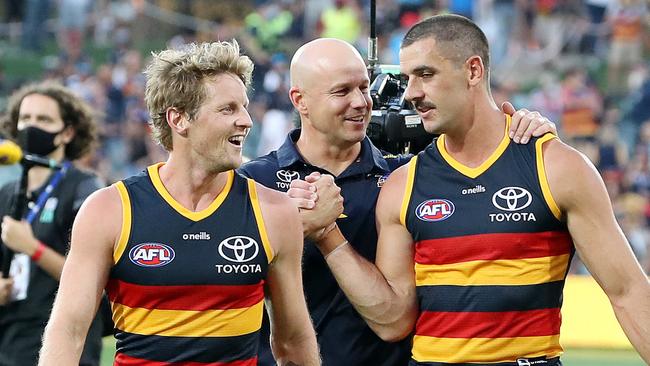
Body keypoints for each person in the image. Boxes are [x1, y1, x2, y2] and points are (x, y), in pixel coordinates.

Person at [307, 15, 650, 365]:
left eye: (425, 74)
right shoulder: (403, 185)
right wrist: (328, 235)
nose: (411, 93)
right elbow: (394, 320)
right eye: (408, 78)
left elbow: (628, 291)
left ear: (473, 71)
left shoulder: (556, 166)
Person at [239, 37, 558, 366]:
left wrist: (529, 136)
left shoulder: (408, 178)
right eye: (342, 91)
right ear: (299, 100)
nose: (361, 102)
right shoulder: (254, 183)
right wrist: (285, 227)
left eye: (364, 88)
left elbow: (494, 182)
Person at [38, 41, 320, 365]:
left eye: (244, 106)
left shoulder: (273, 212)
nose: (246, 120)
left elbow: (292, 340)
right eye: (228, 109)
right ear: (179, 118)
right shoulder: (109, 210)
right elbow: (68, 330)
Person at [0, 82, 105, 366]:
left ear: (67, 132)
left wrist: (33, 248)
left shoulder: (86, 188)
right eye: (25, 119)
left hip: (64, 346)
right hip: (9, 343)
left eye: (43, 120)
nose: (31, 127)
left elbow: (96, 280)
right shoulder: (6, 194)